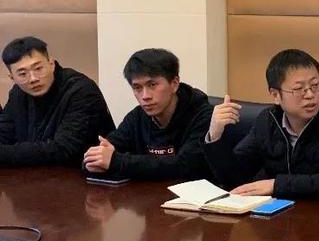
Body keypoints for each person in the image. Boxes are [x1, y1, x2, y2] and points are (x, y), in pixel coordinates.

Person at [203, 48, 319, 199]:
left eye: (315, 85)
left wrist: (276, 185)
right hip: (284, 214)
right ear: (275, 95)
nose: (310, 95)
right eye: (299, 89)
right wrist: (215, 135)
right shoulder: (268, 120)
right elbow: (236, 178)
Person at [83, 48, 212, 180]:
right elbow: (100, 155)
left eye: (152, 85)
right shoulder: (136, 117)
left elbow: (185, 165)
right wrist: (96, 158)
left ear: (174, 84)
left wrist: (117, 162)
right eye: (137, 88)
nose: (145, 96)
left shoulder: (203, 115)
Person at [0, 36, 114, 167]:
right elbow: (5, 132)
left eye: (38, 68)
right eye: (22, 74)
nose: (33, 79)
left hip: (84, 172)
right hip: (37, 173)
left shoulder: (81, 90)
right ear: (12, 78)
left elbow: (64, 150)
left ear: (52, 64)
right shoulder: (18, 93)